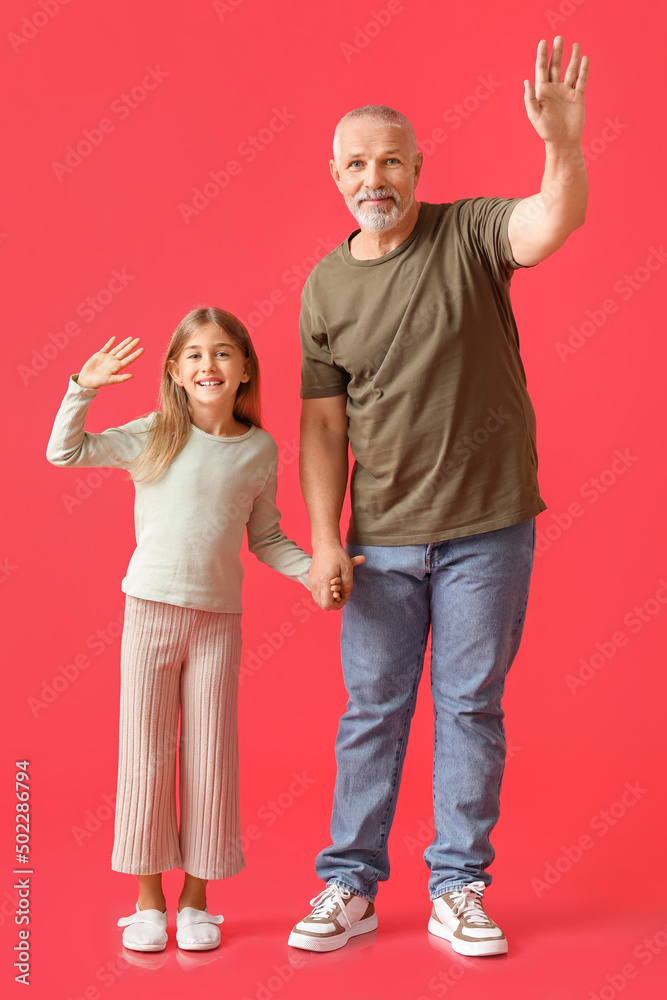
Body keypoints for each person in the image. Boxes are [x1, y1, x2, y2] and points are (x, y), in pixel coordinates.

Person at [289, 36, 589, 956]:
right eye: (355, 162)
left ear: (417, 166)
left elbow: (547, 224)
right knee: (370, 710)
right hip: (378, 539)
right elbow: (322, 427)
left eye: (389, 160)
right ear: (334, 175)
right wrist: (325, 538)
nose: (372, 175)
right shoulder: (325, 286)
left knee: (469, 708)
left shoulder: (466, 231)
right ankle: (350, 885)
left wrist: (563, 146)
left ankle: (458, 885)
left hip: (486, 531)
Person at [46, 306, 361, 952]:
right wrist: (83, 385)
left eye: (221, 353)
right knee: (146, 757)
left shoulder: (257, 450)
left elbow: (266, 537)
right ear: (174, 371)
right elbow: (63, 451)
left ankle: (196, 902)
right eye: (193, 355)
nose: (207, 365)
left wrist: (312, 571)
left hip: (218, 623)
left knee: (210, 759)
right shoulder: (152, 435)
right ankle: (146, 904)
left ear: (244, 369)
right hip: (149, 615)